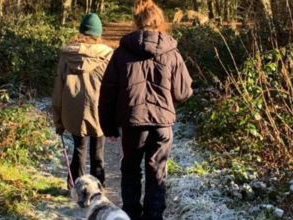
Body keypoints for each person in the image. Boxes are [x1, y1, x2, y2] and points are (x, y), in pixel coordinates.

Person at [98, 0, 193, 219]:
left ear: (137, 23)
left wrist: (109, 127)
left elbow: (108, 94)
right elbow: (183, 92)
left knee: (130, 171)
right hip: (162, 124)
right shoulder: (172, 53)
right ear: (160, 24)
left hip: (133, 124)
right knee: (157, 172)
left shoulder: (121, 53)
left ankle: (130, 215)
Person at [52, 13, 114, 188]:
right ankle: (98, 188)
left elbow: (58, 88)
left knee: (79, 149)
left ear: (81, 31)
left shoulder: (67, 55)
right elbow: (112, 87)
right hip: (98, 110)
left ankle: (75, 188)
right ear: (98, 34)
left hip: (73, 112)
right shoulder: (107, 56)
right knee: (98, 151)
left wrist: (58, 121)